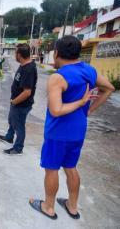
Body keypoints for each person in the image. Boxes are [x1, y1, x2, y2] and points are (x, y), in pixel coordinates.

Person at [29, 36, 115, 220]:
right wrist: (88, 110)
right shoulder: (89, 71)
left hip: (58, 133)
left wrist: (82, 103)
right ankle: (72, 206)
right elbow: (109, 88)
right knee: (70, 167)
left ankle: (49, 207)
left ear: (57, 53)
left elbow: (56, 110)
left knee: (51, 168)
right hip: (78, 131)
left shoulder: (58, 77)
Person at [0, 43, 38, 155]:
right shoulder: (23, 65)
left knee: (19, 125)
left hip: (21, 104)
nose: (15, 55)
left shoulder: (29, 69)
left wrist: (14, 101)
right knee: (12, 120)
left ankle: (18, 147)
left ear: (19, 55)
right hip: (16, 102)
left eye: (16, 52)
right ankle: (9, 137)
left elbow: (27, 92)